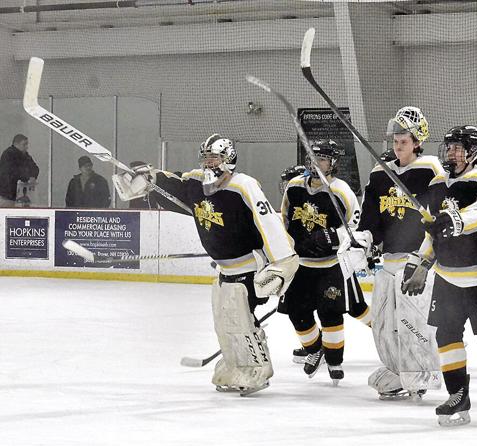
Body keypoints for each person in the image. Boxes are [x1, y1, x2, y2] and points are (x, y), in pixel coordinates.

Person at [112, 133, 299, 396]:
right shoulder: (197, 183)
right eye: (207, 157)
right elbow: (175, 184)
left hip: (247, 268)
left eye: (216, 157)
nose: (209, 163)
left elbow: (267, 222)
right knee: (224, 321)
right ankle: (235, 363)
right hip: (224, 270)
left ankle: (257, 367)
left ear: (229, 159)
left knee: (241, 320)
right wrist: (149, 179)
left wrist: (282, 263)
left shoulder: (243, 186)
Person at [406, 125, 477, 427]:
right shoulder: (438, 182)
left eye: (458, 147)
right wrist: (420, 264)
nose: (451, 152)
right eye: (449, 147)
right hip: (448, 277)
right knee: (446, 336)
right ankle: (458, 395)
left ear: (473, 152)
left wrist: (453, 220)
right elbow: (432, 232)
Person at [350, 106, 444, 400]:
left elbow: (440, 215)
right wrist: (363, 239)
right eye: (395, 139)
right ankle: (396, 369)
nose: (397, 144)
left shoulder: (431, 170)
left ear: (418, 141)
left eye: (404, 139)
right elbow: (371, 219)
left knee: (412, 321)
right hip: (388, 263)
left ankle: (420, 371)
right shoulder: (381, 173)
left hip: (415, 261)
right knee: (382, 321)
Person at [278, 140, 370, 385]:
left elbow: (355, 226)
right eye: (313, 158)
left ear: (333, 163)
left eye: (322, 159)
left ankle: (334, 360)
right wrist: (286, 246)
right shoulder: (294, 187)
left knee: (331, 314)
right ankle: (315, 349)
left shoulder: (341, 191)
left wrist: (332, 236)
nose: (316, 163)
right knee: (297, 313)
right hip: (301, 266)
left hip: (330, 266)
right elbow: (284, 220)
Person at [0, 134, 39, 208]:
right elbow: (12, 171)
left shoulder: (25, 155)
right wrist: (27, 178)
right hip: (5, 195)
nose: (26, 147)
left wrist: (33, 176)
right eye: (24, 144)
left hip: (14, 195)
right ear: (16, 144)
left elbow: (35, 167)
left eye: (27, 144)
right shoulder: (8, 155)